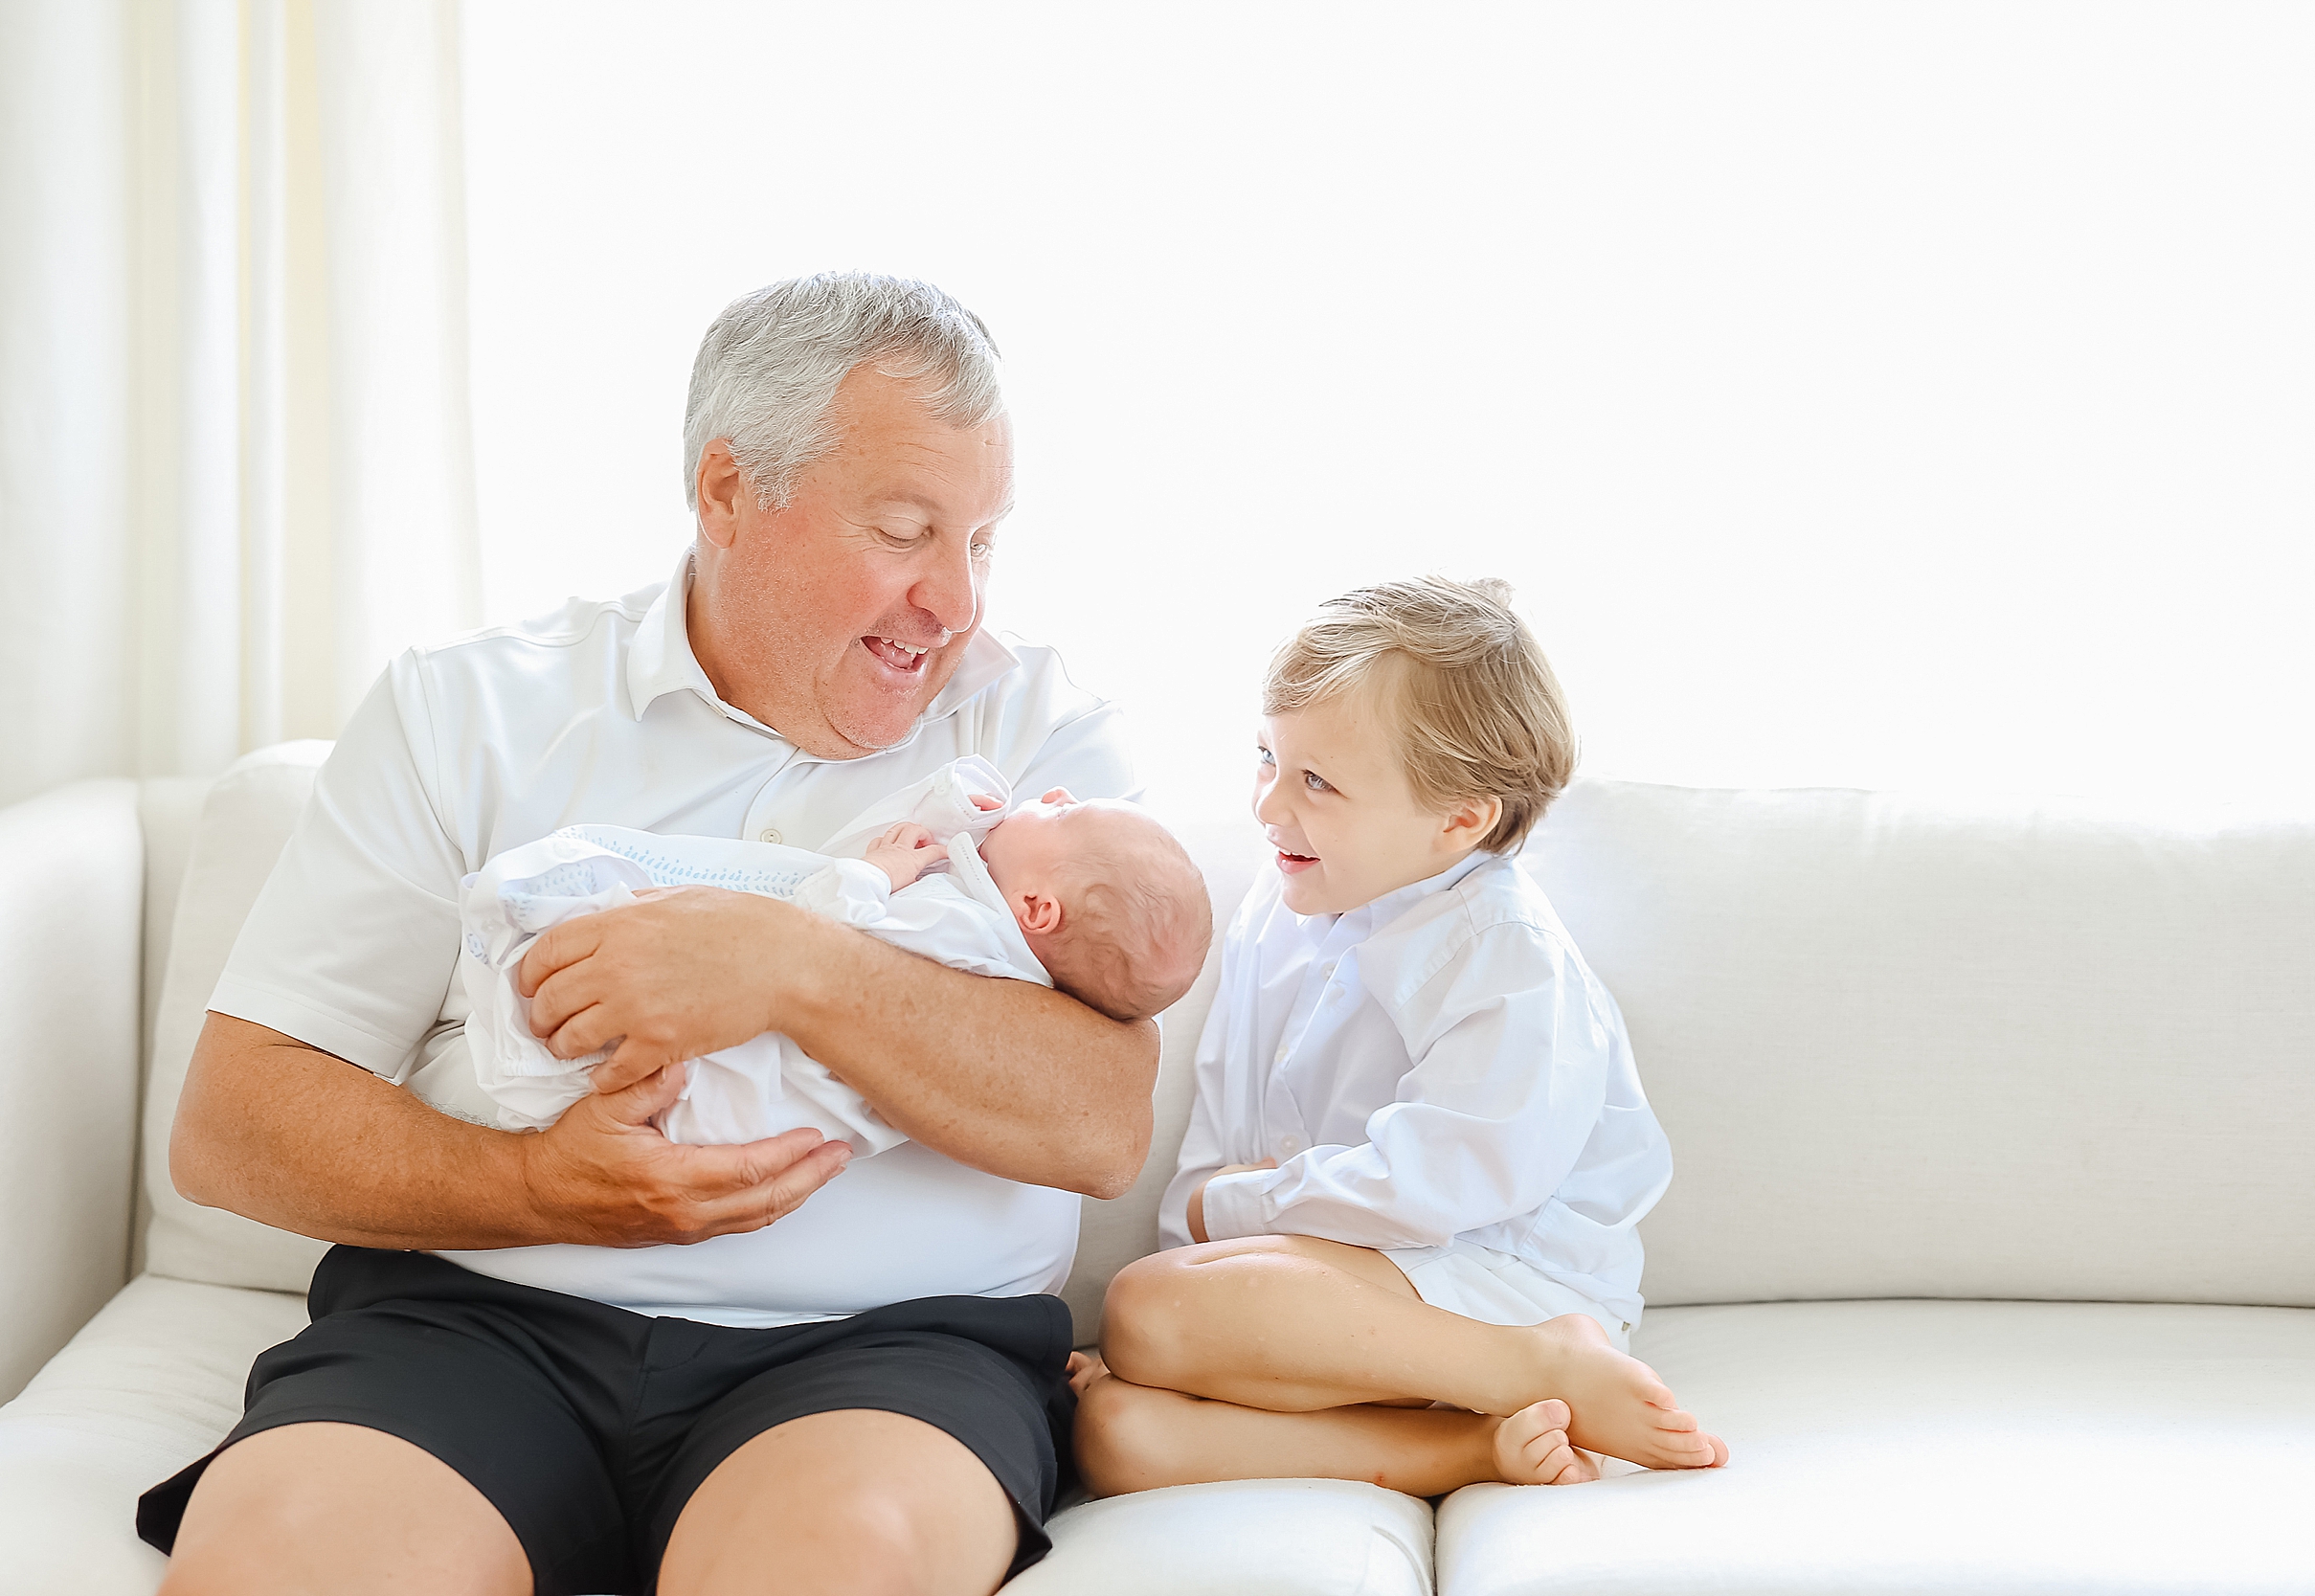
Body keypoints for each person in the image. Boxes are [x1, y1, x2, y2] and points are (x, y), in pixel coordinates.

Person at [146, 273, 1162, 1596]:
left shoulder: (1037, 738)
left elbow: (1102, 1122)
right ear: (729, 492)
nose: (955, 601)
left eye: (982, 540)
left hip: (884, 1353)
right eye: (908, 529)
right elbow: (234, 1123)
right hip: (476, 1322)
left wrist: (793, 964)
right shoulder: (470, 708)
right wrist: (533, 1190)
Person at [1070, 577, 1729, 1499]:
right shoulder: (1282, 906)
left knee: (1145, 1308)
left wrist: (1236, 1211)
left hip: (1494, 1279)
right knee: (1114, 1432)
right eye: (1267, 756)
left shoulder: (1506, 956)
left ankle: (1541, 1365)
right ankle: (1476, 1448)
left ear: (1461, 817)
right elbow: (1215, 1162)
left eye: (1316, 782)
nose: (1267, 807)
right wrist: (1222, 1212)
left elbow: (1430, 1188)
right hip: (1343, 1288)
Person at [462, 770, 1212, 1153]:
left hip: (756, 1097)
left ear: (1037, 911)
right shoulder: (1004, 939)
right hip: (755, 1109)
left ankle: (537, 921)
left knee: (622, 959)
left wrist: (876, 876)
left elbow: (835, 925)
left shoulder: (965, 932)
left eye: (1065, 812)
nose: (1052, 791)